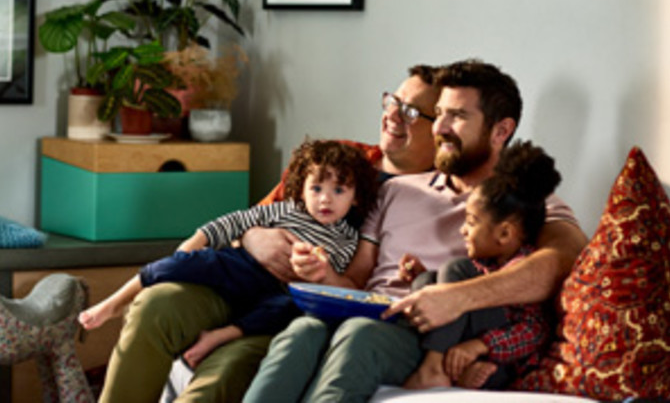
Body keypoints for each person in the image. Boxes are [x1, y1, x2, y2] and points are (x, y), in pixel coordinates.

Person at [243, 59, 588, 403]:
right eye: (439, 113)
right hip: (368, 311)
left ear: (500, 131)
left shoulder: (523, 204)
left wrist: (456, 297)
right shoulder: (397, 190)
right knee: (300, 333)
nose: (439, 127)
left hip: (426, 333)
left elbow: (561, 262)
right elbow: (356, 281)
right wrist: (323, 275)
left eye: (458, 116)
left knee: (360, 336)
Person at [98, 64, 441, 403]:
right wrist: (253, 238)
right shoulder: (339, 157)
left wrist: (323, 275)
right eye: (392, 102)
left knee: (228, 368)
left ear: (439, 127)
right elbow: (254, 218)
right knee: (155, 305)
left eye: (410, 112)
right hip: (240, 278)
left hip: (291, 310)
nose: (393, 116)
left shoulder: (435, 198)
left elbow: (369, 289)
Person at [79, 139, 377, 369]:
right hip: (242, 267)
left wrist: (318, 270)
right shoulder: (285, 210)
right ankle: (116, 302)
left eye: (339, 190)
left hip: (278, 290)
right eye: (316, 188)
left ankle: (222, 336)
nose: (325, 198)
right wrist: (187, 252)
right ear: (302, 189)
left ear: (355, 197)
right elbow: (231, 223)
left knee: (289, 311)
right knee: (184, 264)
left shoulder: (348, 241)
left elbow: (327, 284)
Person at [400, 139, 561, 390]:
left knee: (457, 270)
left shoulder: (524, 267)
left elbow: (534, 331)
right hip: (470, 351)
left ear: (505, 234)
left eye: (472, 222)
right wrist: (421, 277)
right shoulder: (488, 262)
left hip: (504, 362)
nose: (463, 230)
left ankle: (433, 367)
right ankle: (457, 371)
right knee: (427, 281)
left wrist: (482, 345)